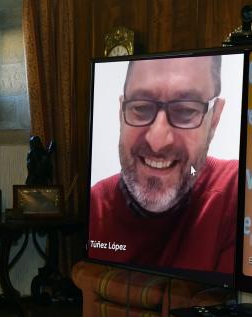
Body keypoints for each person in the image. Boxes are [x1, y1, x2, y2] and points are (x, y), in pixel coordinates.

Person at [87, 55, 238, 273]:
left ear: (214, 119)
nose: (157, 141)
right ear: (121, 113)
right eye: (140, 107)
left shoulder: (236, 194)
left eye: (185, 111)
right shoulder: (95, 207)